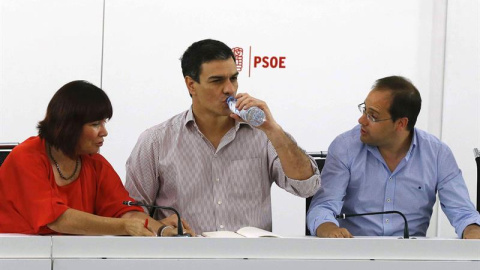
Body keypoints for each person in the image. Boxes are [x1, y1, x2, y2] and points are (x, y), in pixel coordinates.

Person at [125, 39, 321, 234]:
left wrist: (274, 130)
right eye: (217, 80)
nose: (229, 89)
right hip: (185, 260)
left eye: (233, 78)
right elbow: (132, 212)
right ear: (191, 85)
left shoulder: (263, 134)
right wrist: (160, 228)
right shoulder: (156, 141)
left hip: (250, 261)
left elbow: (307, 187)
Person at [0, 80, 183, 236]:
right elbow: (56, 219)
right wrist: (123, 227)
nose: (104, 132)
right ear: (68, 125)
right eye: (95, 124)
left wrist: (162, 230)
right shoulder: (25, 157)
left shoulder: (96, 164)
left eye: (104, 122)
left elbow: (125, 212)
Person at [307, 76, 480, 239]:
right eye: (364, 110)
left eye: (372, 116)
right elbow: (323, 206)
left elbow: (463, 212)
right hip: (353, 252)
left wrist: (471, 229)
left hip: (410, 257)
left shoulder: (437, 154)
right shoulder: (345, 146)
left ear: (401, 124)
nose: (361, 120)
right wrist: (328, 228)